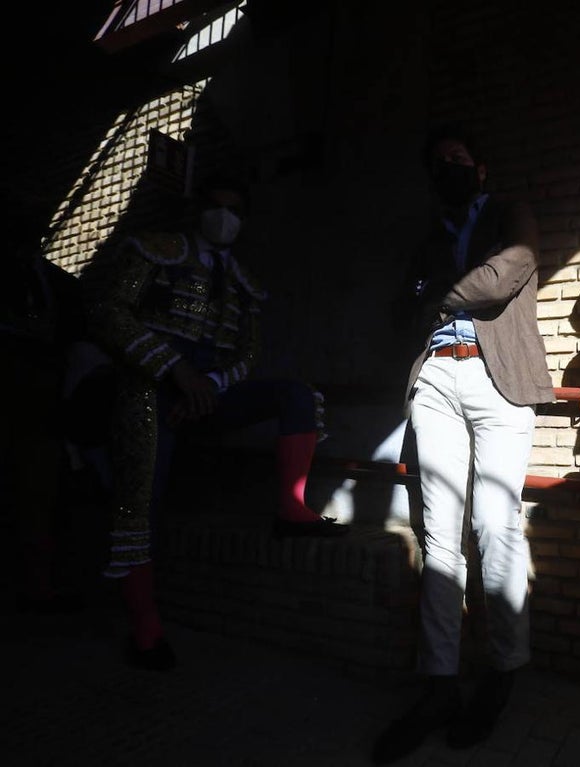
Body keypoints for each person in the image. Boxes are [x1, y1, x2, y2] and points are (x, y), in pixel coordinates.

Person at [84, 173, 347, 672]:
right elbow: (109, 313)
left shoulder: (243, 284)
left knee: (297, 395)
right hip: (147, 386)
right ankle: (146, 630)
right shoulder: (154, 250)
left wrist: (212, 386)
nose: (224, 217)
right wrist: (175, 372)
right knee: (139, 507)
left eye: (235, 210)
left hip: (205, 393)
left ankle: (292, 511)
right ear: (197, 211)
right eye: (216, 206)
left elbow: (248, 352)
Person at [371, 123, 554, 764]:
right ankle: (440, 682)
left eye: (458, 158)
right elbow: (399, 310)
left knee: (495, 523)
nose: (448, 167)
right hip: (436, 382)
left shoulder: (509, 213)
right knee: (439, 532)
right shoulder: (428, 240)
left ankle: (502, 671)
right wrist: (425, 304)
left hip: (498, 378)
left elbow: (513, 269)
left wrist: (441, 298)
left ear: (480, 168)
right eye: (437, 162)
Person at [1, 203, 87, 613]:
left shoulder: (56, 282)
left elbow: (74, 329)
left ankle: (38, 587)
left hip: (44, 404)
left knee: (39, 494)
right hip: (16, 390)